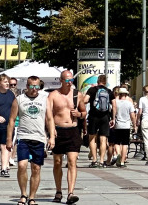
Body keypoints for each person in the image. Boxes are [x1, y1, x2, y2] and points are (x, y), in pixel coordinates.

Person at [47, 70, 86, 204]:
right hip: (58, 131)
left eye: (71, 81)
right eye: (67, 80)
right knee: (57, 162)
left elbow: (84, 112)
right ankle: (58, 191)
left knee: (72, 161)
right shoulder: (53, 95)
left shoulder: (77, 95)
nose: (70, 83)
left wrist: (79, 115)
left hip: (73, 130)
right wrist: (51, 133)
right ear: (61, 80)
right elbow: (49, 116)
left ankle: (70, 193)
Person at [9, 75, 47, 205]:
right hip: (23, 136)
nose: (34, 89)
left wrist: (52, 135)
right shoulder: (19, 99)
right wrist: (9, 139)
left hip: (39, 137)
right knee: (22, 165)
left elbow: (50, 119)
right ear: (27, 86)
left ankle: (32, 197)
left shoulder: (45, 99)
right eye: (32, 86)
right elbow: (12, 120)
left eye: (37, 86)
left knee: (36, 168)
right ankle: (23, 194)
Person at [85, 74, 113, 168]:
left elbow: (85, 100)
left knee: (92, 138)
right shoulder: (109, 91)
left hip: (93, 116)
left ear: (98, 81)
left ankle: (94, 160)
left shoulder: (92, 90)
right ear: (105, 82)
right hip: (105, 117)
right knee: (103, 139)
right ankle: (101, 161)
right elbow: (114, 105)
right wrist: (113, 118)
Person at [111, 87, 136, 168]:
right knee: (125, 143)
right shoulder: (129, 103)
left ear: (119, 94)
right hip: (126, 125)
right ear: (126, 94)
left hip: (118, 125)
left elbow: (113, 113)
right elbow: (132, 115)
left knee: (117, 142)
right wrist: (135, 125)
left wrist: (114, 120)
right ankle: (122, 161)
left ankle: (118, 154)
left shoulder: (116, 102)